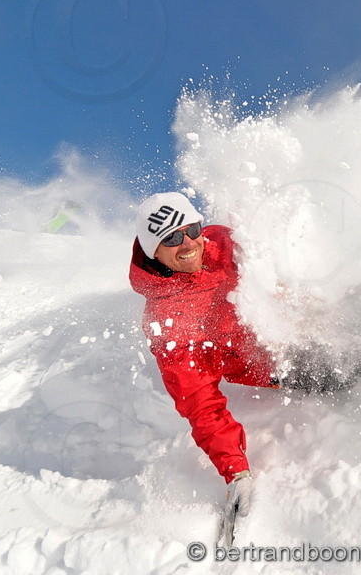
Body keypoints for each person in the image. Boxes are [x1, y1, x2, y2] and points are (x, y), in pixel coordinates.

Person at [128, 192, 274, 517]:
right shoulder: (166, 322)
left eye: (192, 229)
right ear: (154, 251)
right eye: (172, 237)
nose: (189, 243)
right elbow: (200, 402)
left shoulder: (224, 242)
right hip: (276, 367)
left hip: (309, 323)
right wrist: (236, 471)